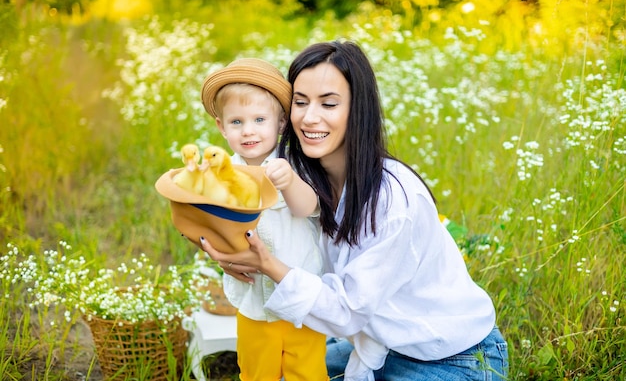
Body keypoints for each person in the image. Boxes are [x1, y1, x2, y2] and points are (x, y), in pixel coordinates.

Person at [199, 41, 509, 381]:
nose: (310, 117)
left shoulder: (392, 199)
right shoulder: (297, 173)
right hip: (373, 340)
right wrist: (225, 250)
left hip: (447, 356)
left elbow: (347, 310)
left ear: (357, 109)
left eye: (329, 103)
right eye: (301, 102)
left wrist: (268, 266)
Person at [200, 58, 328, 381]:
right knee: (257, 372)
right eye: (237, 122)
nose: (249, 131)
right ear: (221, 127)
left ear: (281, 123)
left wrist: (290, 183)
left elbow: (309, 207)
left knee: (309, 372)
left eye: (259, 119)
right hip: (255, 302)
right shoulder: (222, 174)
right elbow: (210, 224)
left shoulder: (293, 165)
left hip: (301, 298)